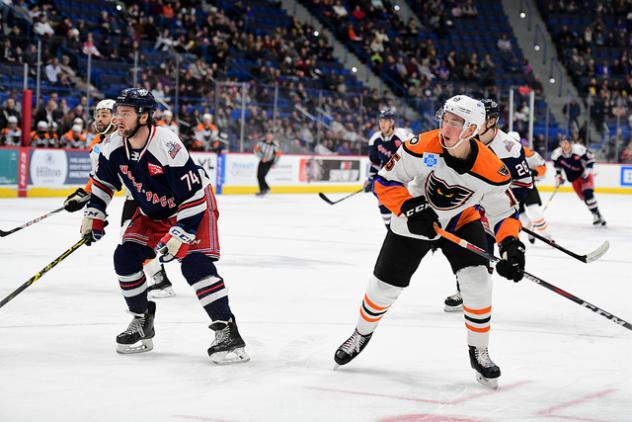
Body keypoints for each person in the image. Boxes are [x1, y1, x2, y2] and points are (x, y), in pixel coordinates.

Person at [334, 95, 525, 389]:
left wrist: (512, 245)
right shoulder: (420, 146)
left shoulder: (493, 169)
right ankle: (361, 333)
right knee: (383, 287)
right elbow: (384, 182)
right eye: (445, 119)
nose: (446, 127)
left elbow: (503, 211)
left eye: (455, 122)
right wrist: (409, 207)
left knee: (478, 283)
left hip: (461, 221)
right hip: (415, 219)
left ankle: (479, 350)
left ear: (472, 128)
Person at [80, 88, 249, 363]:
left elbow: (193, 195)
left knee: (195, 264)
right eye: (117, 112)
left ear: (144, 116)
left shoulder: (167, 144)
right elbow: (103, 183)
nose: (118, 119)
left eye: (125, 113)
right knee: (125, 258)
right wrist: (94, 213)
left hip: (191, 207)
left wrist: (181, 233)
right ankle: (141, 320)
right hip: (152, 210)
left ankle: (227, 329)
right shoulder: (112, 144)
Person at [63, 99, 175, 298]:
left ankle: (161, 278)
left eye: (104, 115)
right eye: (97, 115)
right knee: (129, 235)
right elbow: (101, 179)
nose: (99, 119)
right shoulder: (97, 144)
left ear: (115, 118)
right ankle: (160, 279)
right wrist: (86, 198)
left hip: (151, 194)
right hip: (134, 194)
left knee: (133, 236)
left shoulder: (130, 137)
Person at [443, 99, 535, 312]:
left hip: (496, 206)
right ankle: (465, 289)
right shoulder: (468, 137)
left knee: (482, 247)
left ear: (492, 121)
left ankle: (472, 293)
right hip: (469, 203)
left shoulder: (509, 149)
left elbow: (524, 184)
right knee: (465, 247)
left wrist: (496, 201)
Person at [366, 108, 410, 228]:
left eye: (385, 121)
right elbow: (375, 162)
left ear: (392, 122)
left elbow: (411, 156)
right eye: (381, 121)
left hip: (404, 175)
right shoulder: (375, 139)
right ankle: (390, 230)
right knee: (382, 200)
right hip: (387, 175)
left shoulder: (402, 136)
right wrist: (370, 180)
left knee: (405, 205)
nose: (382, 124)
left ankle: (406, 229)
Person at [552, 138, 606, 226]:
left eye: (566, 143)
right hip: (573, 180)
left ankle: (599, 216)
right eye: (562, 143)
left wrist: (588, 170)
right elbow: (557, 166)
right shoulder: (556, 154)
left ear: (570, 143)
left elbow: (591, 158)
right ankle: (595, 215)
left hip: (584, 176)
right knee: (585, 199)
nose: (564, 145)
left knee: (588, 194)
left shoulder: (578, 150)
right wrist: (558, 176)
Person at [508, 131, 550, 244]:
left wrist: (535, 172)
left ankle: (546, 235)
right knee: (521, 215)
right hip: (511, 190)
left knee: (534, 211)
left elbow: (542, 166)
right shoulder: (499, 153)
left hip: (528, 186)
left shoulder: (527, 152)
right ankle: (530, 229)